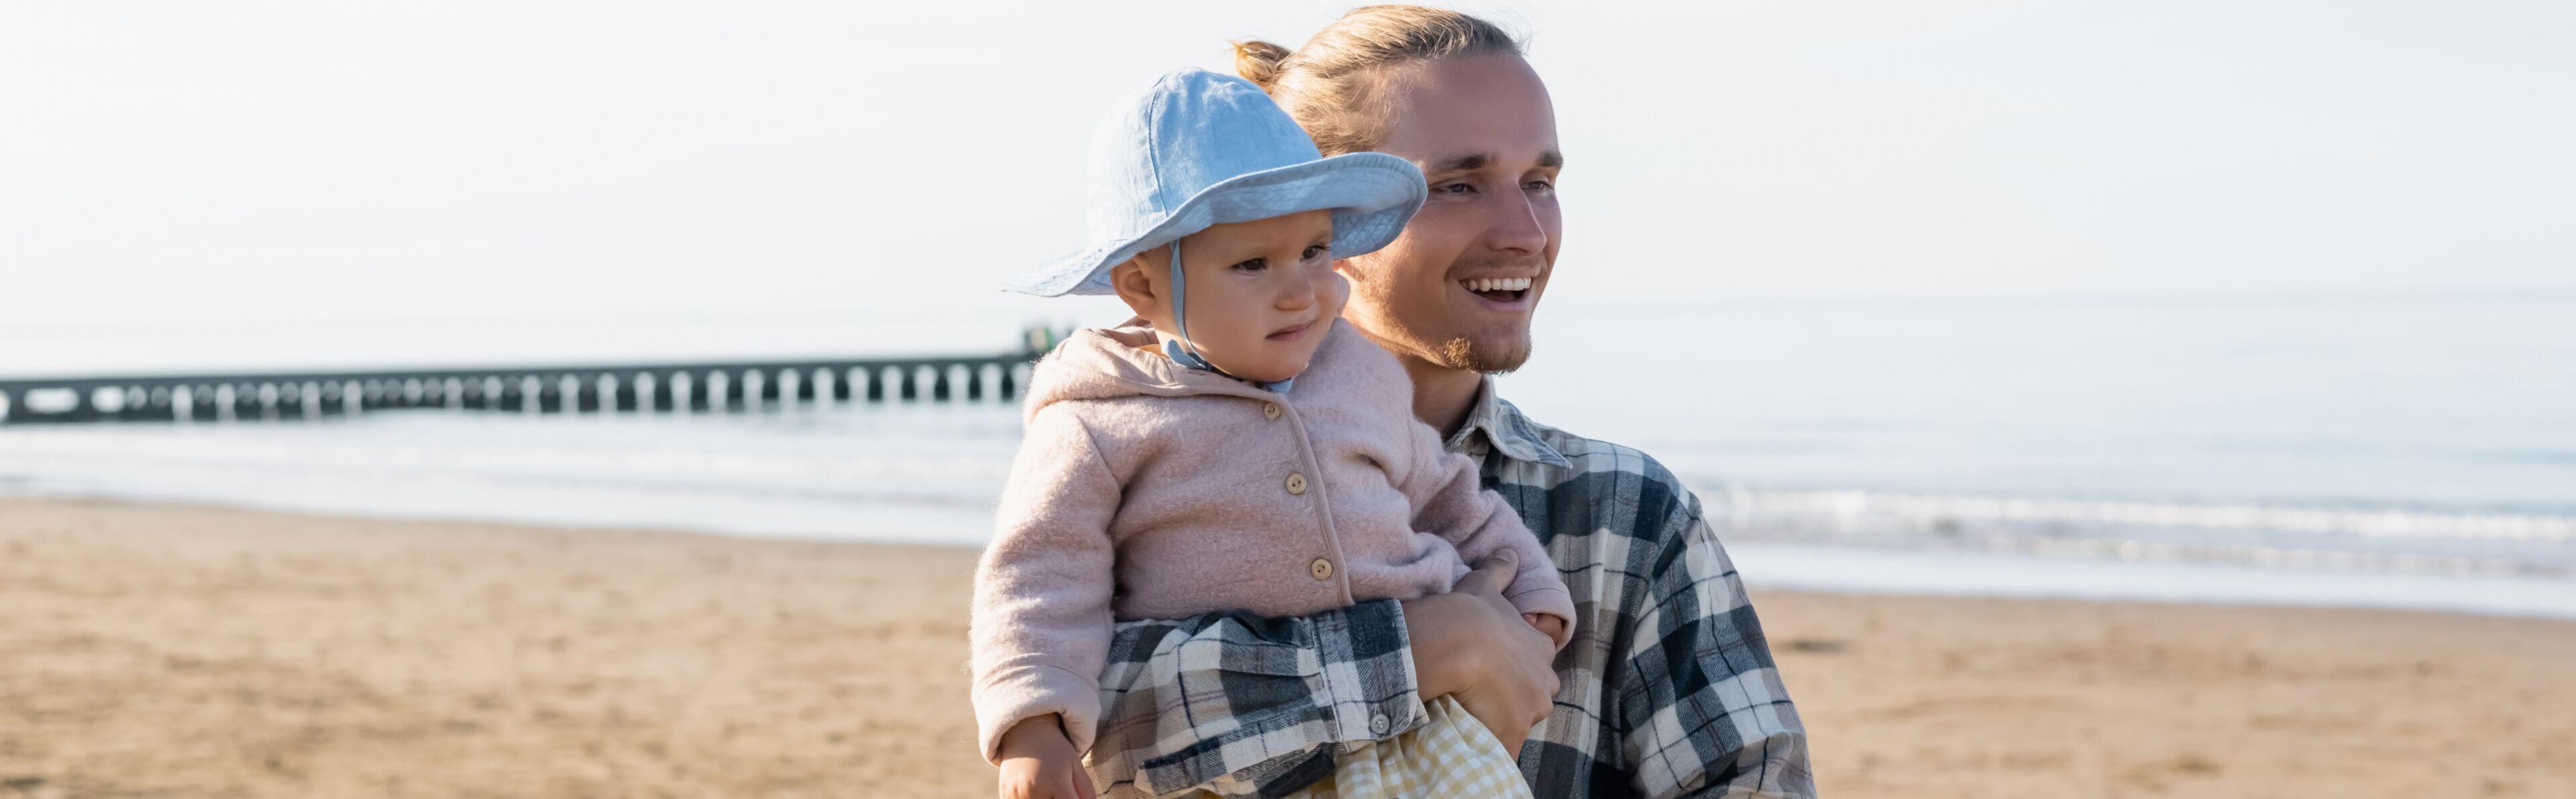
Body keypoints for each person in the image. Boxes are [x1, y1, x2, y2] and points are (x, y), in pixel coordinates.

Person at [1081, 7, 1817, 798]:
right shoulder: (1144, 468)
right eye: (1459, 185)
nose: (1527, 232)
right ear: (1323, 220)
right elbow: (1091, 717)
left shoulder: (1625, 515)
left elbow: (1756, 782)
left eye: (1541, 182)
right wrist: (1421, 648)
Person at [971, 68, 1581, 799]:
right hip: (1237, 752)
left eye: (1316, 252)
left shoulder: (1358, 372)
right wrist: (1031, 725)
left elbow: (1448, 494)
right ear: (1142, 289)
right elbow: (1039, 577)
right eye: (1253, 264)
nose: (1301, 291)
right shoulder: (1100, 418)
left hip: (1422, 727)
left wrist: (1533, 591)